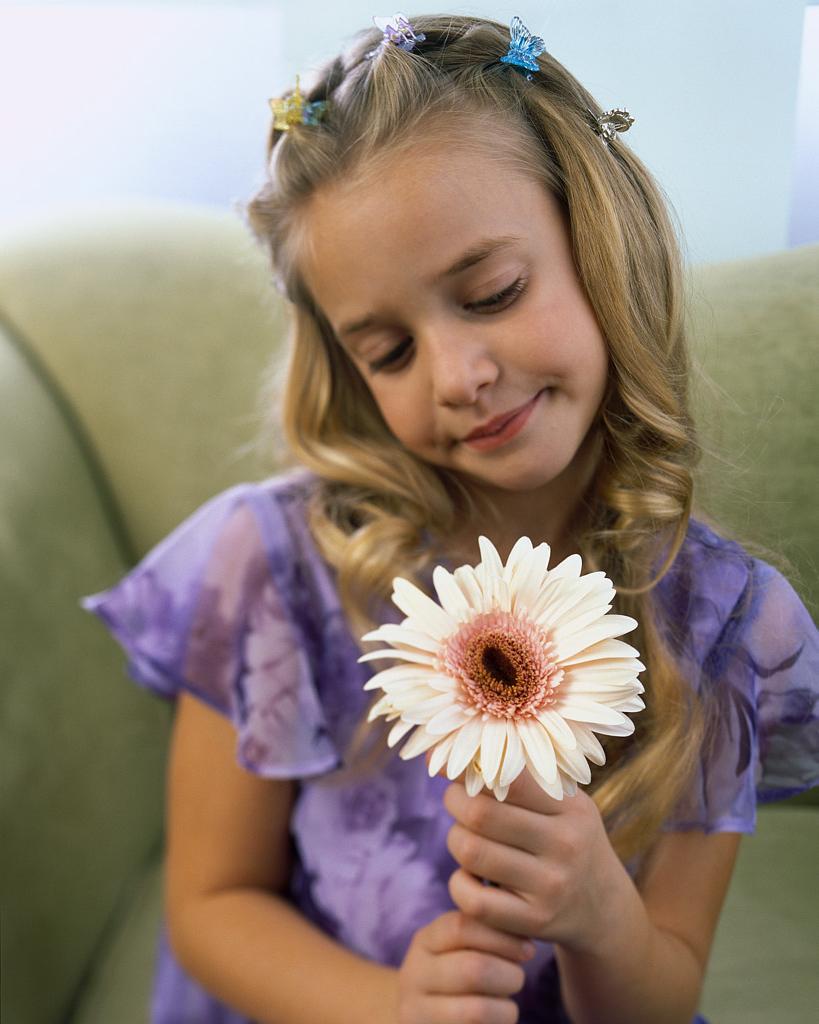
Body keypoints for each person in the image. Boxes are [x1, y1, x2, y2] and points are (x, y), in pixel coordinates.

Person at [80, 13, 818, 1024]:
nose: (459, 376)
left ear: (600, 237)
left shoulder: (730, 627)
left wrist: (602, 912)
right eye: (388, 353)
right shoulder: (273, 567)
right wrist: (389, 1007)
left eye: (492, 292)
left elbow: (666, 986)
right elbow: (212, 904)